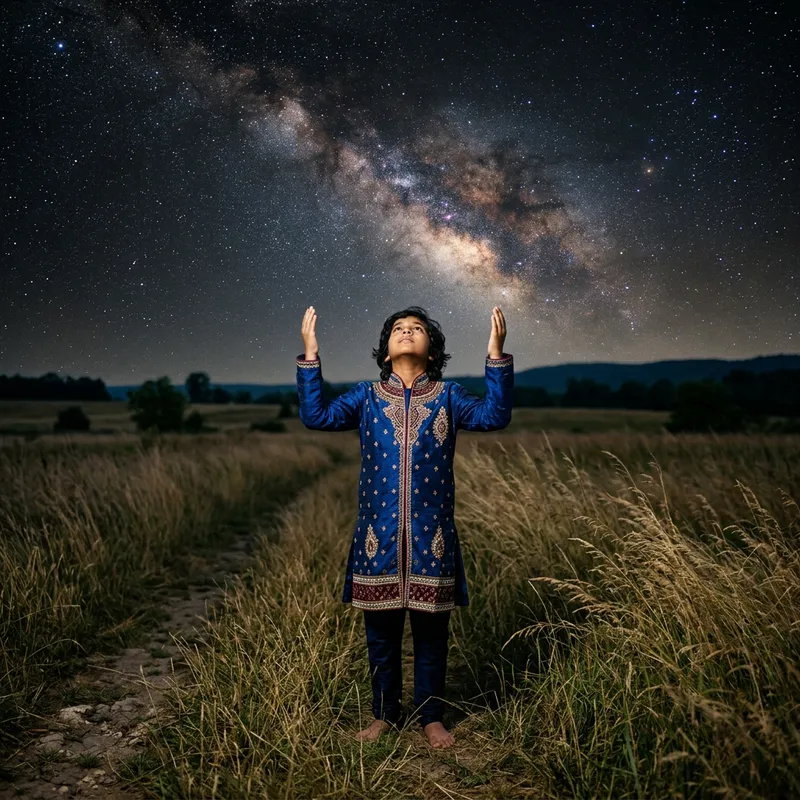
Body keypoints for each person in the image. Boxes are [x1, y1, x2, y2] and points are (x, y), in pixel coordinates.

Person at [296, 304, 514, 748]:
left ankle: (431, 717)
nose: (408, 332)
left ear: (432, 351)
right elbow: (317, 416)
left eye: (417, 328)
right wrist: (310, 355)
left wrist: (496, 355)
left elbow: (494, 416)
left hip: (432, 539)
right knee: (381, 635)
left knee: (432, 635)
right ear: (386, 351)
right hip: (378, 539)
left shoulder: (449, 396)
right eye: (399, 328)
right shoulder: (367, 396)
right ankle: (384, 716)